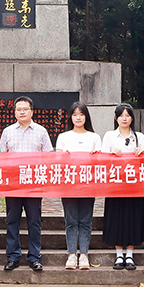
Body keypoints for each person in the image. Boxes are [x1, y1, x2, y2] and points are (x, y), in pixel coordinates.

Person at [0, 95, 53, 272]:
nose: (21, 112)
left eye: (25, 109)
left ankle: (34, 257)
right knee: (12, 221)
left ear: (32, 111)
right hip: (13, 185)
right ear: (14, 112)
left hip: (34, 185)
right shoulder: (7, 131)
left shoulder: (41, 131)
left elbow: (49, 158)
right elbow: (1, 158)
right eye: (18, 109)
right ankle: (13, 257)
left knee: (34, 222)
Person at [101, 103, 144, 271]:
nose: (124, 118)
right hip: (115, 185)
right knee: (116, 217)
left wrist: (141, 154)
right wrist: (111, 154)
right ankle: (118, 254)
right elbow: (101, 159)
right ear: (116, 118)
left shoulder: (140, 137)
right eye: (121, 116)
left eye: (127, 116)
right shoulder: (109, 136)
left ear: (132, 118)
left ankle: (130, 255)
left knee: (133, 217)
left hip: (135, 185)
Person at [56, 101, 101, 270]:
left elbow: (101, 162)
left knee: (85, 220)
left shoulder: (94, 137)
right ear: (70, 117)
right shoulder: (64, 137)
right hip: (68, 184)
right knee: (71, 220)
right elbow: (58, 161)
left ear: (86, 116)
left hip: (88, 184)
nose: (78, 118)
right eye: (75, 114)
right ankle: (71, 255)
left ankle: (84, 255)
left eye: (81, 114)